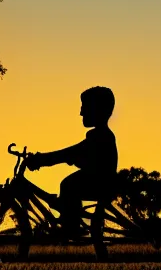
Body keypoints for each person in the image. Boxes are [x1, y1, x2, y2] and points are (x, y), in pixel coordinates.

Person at [25, 86, 118, 239]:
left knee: (68, 185)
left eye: (85, 108)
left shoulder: (99, 136)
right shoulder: (101, 135)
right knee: (68, 185)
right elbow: (74, 154)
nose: (81, 112)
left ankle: (71, 227)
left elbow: (70, 153)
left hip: (101, 183)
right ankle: (71, 223)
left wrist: (43, 160)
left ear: (98, 110)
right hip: (103, 181)